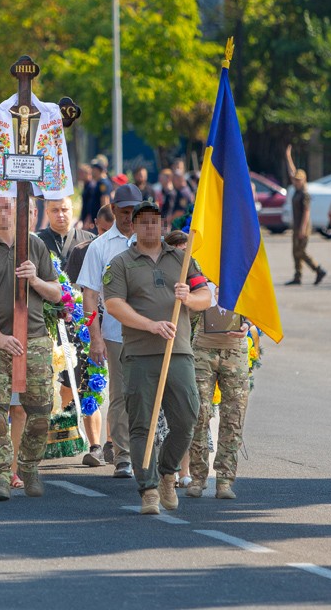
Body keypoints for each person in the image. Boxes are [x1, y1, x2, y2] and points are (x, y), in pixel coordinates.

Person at [102, 200, 211, 515]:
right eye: (143, 221)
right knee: (142, 426)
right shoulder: (121, 263)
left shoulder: (182, 258)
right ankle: (148, 489)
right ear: (134, 226)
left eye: (155, 221)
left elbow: (205, 296)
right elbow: (114, 305)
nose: (150, 226)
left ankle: (167, 471)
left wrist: (188, 297)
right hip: (139, 353)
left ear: (163, 224)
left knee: (188, 417)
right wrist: (150, 325)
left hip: (178, 351)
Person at [0, 194, 62, 501]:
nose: (6, 212)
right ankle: (0, 476)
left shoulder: (34, 246)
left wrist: (35, 280)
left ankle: (29, 467)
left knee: (41, 412)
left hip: (35, 340)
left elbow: (56, 294)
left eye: (10, 206)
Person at [77, 184, 142, 476]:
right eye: (124, 211)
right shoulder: (100, 247)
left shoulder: (152, 240)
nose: (129, 217)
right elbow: (89, 295)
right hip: (116, 333)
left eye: (134, 211)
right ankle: (123, 455)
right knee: (120, 395)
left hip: (151, 331)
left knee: (149, 392)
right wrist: (96, 339)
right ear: (113, 210)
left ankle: (149, 449)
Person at [187, 301, 253, 501]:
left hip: (235, 352)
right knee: (199, 413)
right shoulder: (199, 270)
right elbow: (185, 308)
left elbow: (258, 305)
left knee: (234, 416)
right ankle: (198, 476)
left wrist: (248, 325)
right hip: (202, 350)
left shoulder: (243, 270)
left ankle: (225, 479)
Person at [284, 146, 326, 285]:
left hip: (303, 226)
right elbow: (292, 171)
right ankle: (298, 276)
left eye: (299, 180)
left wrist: (302, 229)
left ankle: (318, 269)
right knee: (295, 251)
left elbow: (307, 212)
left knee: (300, 251)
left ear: (304, 180)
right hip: (297, 226)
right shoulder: (297, 189)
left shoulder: (305, 194)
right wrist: (288, 156)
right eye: (295, 180)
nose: (296, 181)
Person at [38, 197, 94, 265]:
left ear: (72, 210)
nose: (60, 215)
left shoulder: (89, 239)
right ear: (47, 212)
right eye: (55, 210)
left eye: (64, 210)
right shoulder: (37, 241)